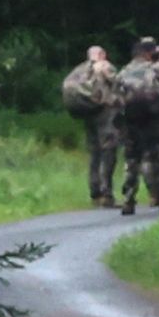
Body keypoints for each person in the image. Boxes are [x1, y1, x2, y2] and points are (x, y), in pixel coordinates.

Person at [109, 38, 159, 215]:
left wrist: (118, 124)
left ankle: (128, 200)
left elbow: (114, 101)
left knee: (132, 160)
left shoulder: (123, 72)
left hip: (131, 122)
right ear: (149, 53)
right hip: (155, 120)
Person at [60, 42, 121, 204]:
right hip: (105, 113)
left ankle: (95, 192)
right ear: (103, 55)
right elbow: (118, 84)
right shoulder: (104, 66)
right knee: (108, 152)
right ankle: (106, 193)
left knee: (94, 153)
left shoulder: (78, 71)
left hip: (88, 113)